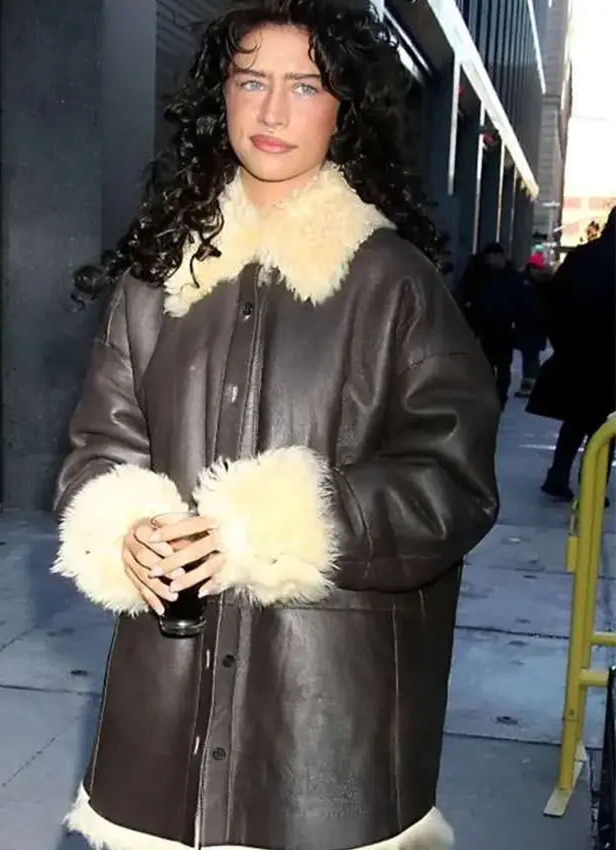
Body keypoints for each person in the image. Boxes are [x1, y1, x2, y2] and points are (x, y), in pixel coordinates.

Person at [52, 3, 500, 849]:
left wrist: (276, 530)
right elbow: (100, 448)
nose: (271, 111)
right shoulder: (154, 279)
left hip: (327, 717)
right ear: (219, 96)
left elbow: (452, 483)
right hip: (166, 705)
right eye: (251, 80)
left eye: (305, 86)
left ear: (344, 108)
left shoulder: (394, 283)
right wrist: (125, 528)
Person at [528, 206, 616, 501]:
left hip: (579, 355)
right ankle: (593, 487)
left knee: (576, 421)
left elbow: (556, 300)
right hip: (609, 358)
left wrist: (563, 343)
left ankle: (558, 476)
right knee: (605, 427)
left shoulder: (582, 256)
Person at [457, 242, 523, 408]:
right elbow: (470, 295)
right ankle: (490, 396)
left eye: (491, 257)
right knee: (488, 364)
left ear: (500, 257)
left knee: (502, 366)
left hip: (504, 328)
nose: (489, 261)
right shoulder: (482, 275)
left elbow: (521, 303)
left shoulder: (511, 277)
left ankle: (499, 397)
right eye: (487, 258)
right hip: (486, 327)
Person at [514, 257, 550, 398]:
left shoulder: (535, 282)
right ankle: (530, 384)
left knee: (530, 356)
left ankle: (530, 385)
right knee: (530, 355)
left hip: (533, 325)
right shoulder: (532, 282)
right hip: (529, 325)